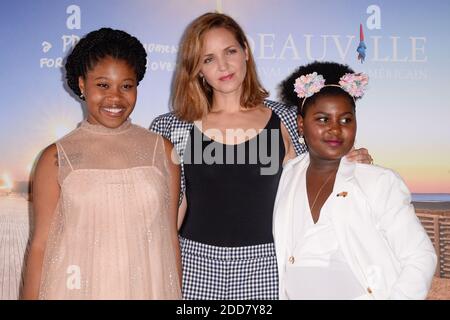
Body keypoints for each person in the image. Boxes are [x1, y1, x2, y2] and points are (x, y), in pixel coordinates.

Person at [150, 13, 372, 299]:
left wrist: (352, 167)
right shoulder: (171, 126)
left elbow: (317, 189)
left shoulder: (288, 120)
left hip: (267, 266)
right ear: (196, 69)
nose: (223, 65)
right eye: (208, 59)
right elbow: (168, 214)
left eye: (230, 51)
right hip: (192, 268)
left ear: (245, 51)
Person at [22, 28, 182, 299]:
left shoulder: (163, 151)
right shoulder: (55, 157)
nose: (115, 98)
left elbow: (170, 240)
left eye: (126, 86)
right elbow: (40, 246)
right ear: (83, 85)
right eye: (103, 85)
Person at [273, 61, 437, 299]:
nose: (335, 129)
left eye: (345, 120)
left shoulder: (378, 181)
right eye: (322, 119)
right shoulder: (288, 175)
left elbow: (420, 256)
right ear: (301, 124)